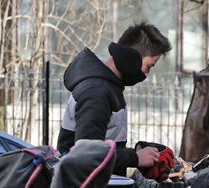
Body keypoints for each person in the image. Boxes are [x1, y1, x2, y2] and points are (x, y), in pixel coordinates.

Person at [57, 22, 172, 176]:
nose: (146, 74)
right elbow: (86, 155)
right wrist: (134, 158)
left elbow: (104, 143)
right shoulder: (96, 92)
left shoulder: (109, 86)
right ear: (133, 58)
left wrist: (139, 152)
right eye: (149, 66)